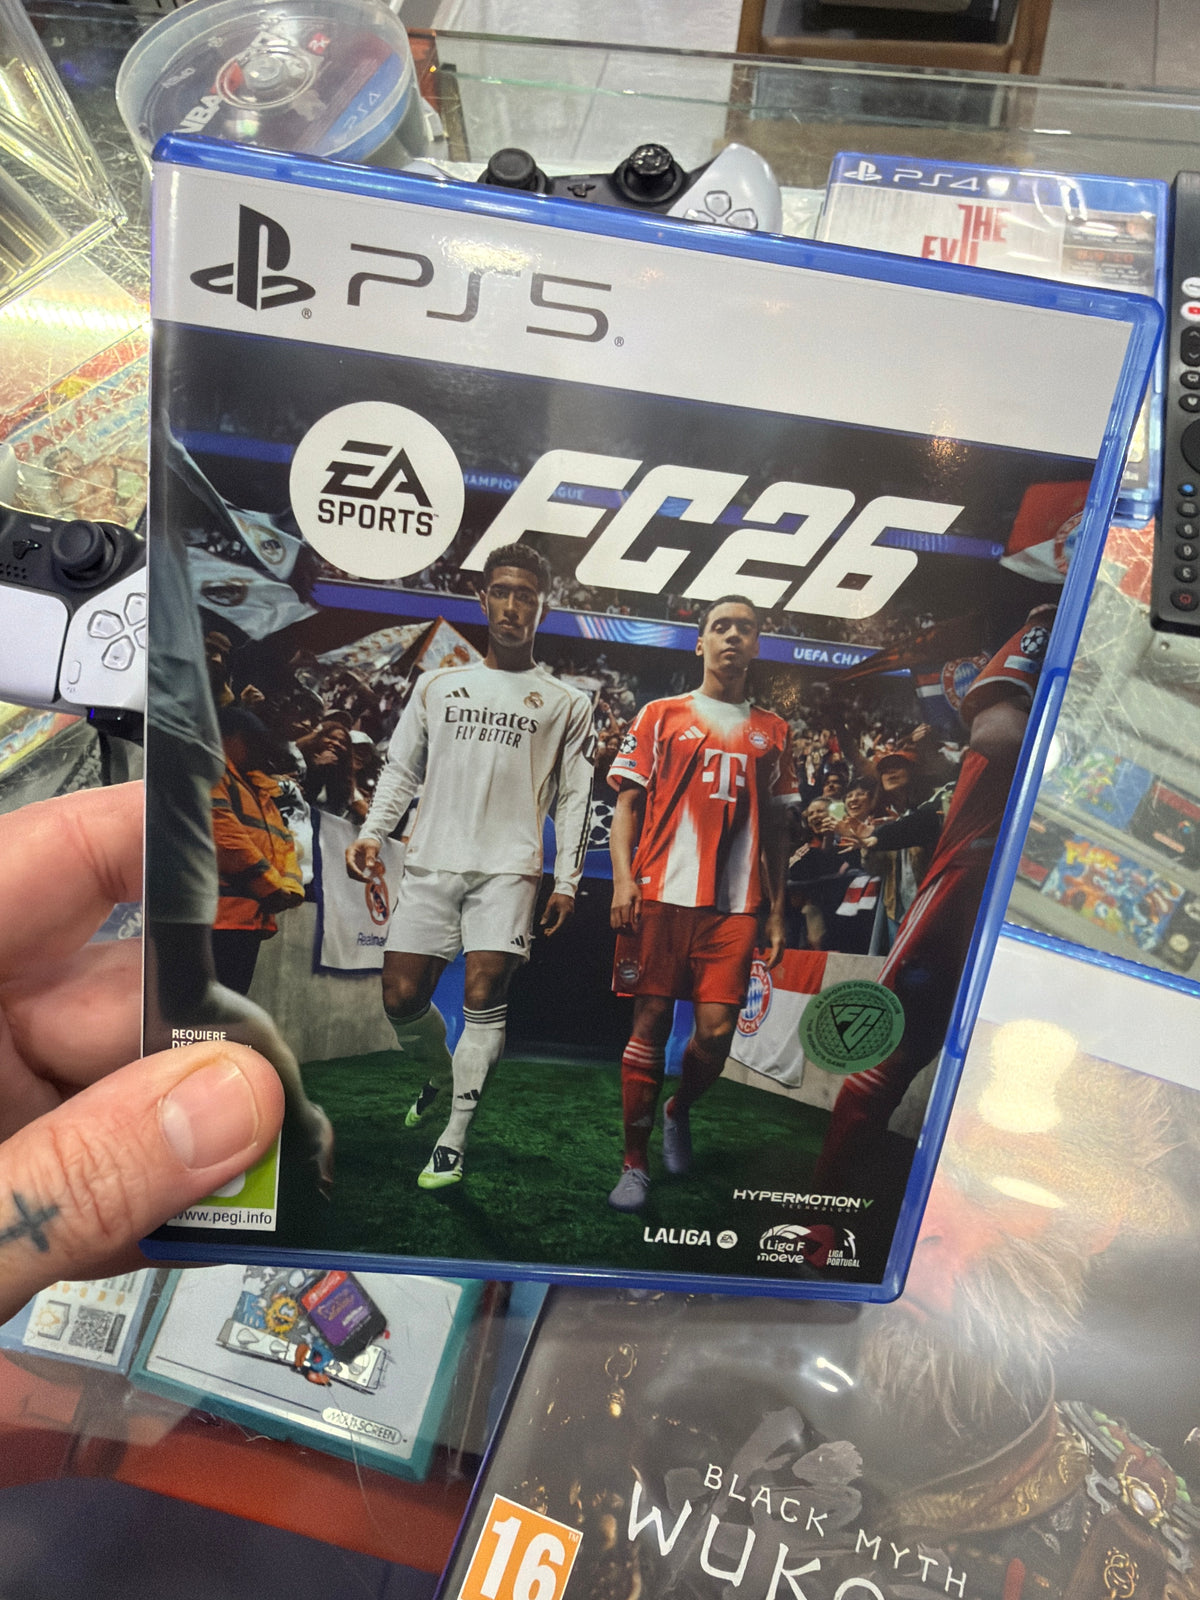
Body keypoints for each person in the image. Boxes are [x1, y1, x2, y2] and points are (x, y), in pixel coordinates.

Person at [345, 542, 595, 1190]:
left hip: (509, 868)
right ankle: (437, 1072)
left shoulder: (567, 703)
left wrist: (567, 878)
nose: (513, 607)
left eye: (526, 596)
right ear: (483, 600)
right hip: (432, 860)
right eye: (502, 593)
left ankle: (453, 1140)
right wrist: (373, 832)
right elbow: (402, 770)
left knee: (484, 995)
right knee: (402, 999)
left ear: (543, 609)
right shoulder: (437, 686)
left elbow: (574, 798)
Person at [0, 784, 285, 1326]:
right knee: (205, 1014)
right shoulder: (228, 790)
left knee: (212, 1010)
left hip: (240, 917)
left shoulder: (260, 794)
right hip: (224, 915)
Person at [814, 604, 1058, 1188]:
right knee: (896, 1052)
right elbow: (995, 736)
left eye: (901, 766)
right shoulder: (1049, 627)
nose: (893, 772)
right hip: (964, 899)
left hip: (1043, 899)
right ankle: (826, 1203)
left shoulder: (939, 781)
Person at [606, 594, 797, 1212]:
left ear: (757, 644)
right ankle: (634, 1165)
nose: (732, 636)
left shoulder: (775, 731)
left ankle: (678, 1108)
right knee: (650, 1021)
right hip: (662, 891)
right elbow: (627, 805)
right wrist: (623, 881)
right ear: (700, 642)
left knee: (715, 1034)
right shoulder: (660, 714)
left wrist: (776, 910)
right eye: (720, 626)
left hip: (735, 904)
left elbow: (779, 827)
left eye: (745, 627)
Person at [211, 706, 304, 997]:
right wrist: (272, 887)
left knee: (228, 1006)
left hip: (249, 920)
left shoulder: (261, 790)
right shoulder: (209, 771)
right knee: (202, 1011)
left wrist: (289, 888)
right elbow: (224, 837)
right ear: (229, 737)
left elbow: (284, 842)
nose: (258, 750)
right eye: (252, 740)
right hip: (213, 920)